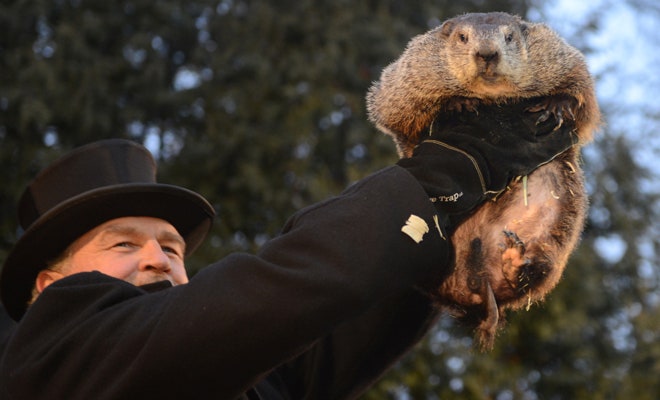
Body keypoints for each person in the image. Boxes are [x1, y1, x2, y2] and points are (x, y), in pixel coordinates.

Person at [0, 101, 576, 399]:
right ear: (49, 288)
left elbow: (326, 314)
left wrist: (458, 230)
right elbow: (273, 291)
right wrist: (444, 174)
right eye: (123, 243)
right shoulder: (45, 365)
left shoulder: (248, 379)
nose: (159, 258)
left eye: (172, 247)